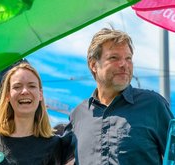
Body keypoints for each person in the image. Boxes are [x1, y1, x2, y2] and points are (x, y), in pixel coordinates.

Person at [65, 28, 174, 165]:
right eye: (114, 58)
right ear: (93, 65)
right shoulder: (78, 115)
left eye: (128, 58)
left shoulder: (153, 105)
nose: (124, 64)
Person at [0, 62, 73, 164]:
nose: (24, 91)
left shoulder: (54, 145)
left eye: (31, 86)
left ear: (40, 95)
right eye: (17, 87)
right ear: (7, 95)